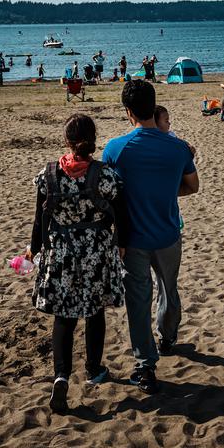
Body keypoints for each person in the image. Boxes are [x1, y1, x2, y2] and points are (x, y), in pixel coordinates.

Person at [27, 114, 128, 413]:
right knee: (94, 312)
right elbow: (121, 215)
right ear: (93, 138)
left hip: (62, 253)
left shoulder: (48, 175)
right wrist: (121, 245)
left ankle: (61, 376)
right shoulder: (105, 176)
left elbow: (39, 219)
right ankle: (94, 369)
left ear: (67, 140)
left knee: (64, 316)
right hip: (95, 251)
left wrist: (34, 250)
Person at [102, 81, 198, 395]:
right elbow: (192, 186)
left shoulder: (115, 148)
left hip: (133, 240)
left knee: (138, 302)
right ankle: (167, 337)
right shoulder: (178, 147)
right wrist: (166, 192)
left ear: (128, 112)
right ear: (153, 107)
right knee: (168, 289)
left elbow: (107, 194)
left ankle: (145, 365)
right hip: (169, 233)